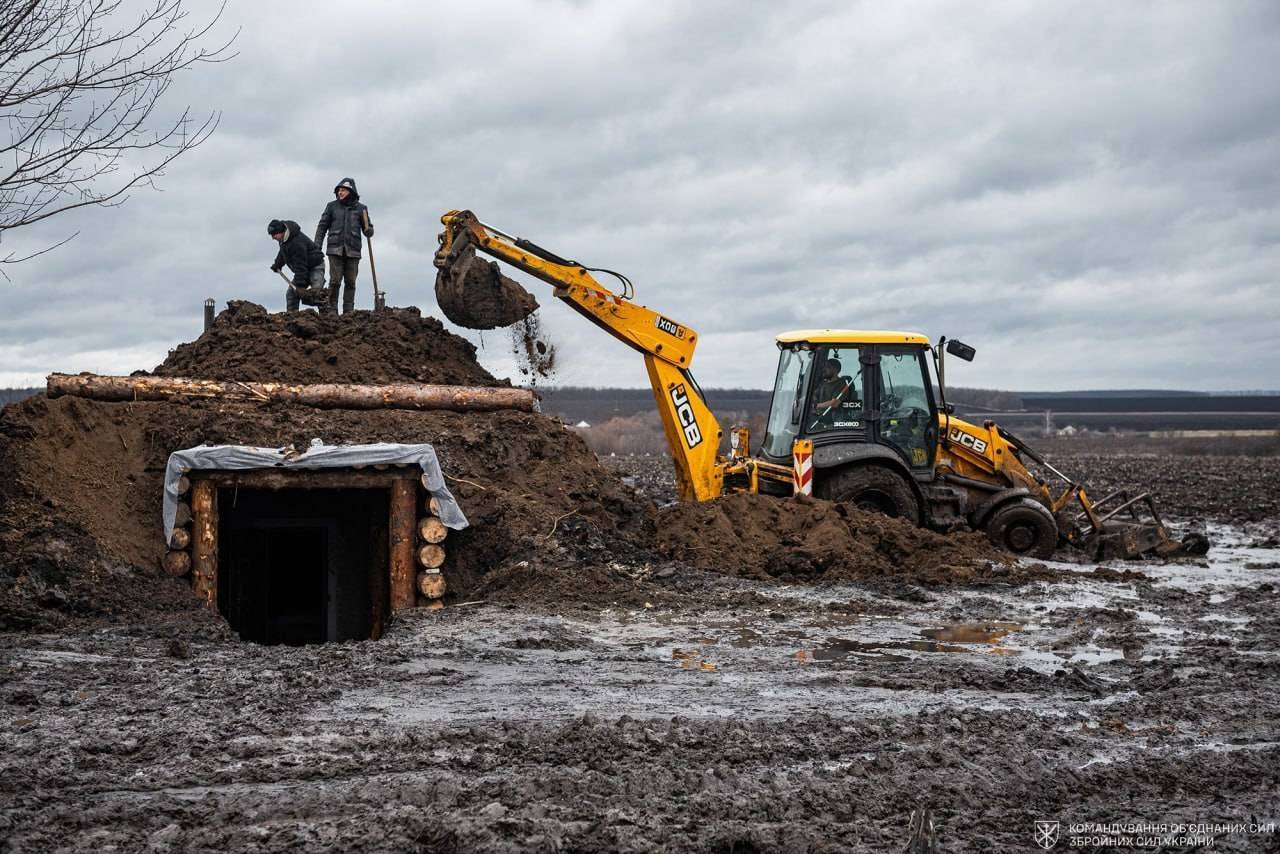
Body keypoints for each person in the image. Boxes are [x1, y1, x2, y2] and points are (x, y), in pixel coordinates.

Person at [314, 177, 373, 315]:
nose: (340, 193)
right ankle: (332, 309)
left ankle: (348, 311)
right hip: (335, 249)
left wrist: (369, 230)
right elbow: (322, 227)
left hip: (353, 250)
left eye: (343, 190)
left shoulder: (361, 209)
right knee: (335, 281)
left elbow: (368, 229)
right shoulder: (331, 206)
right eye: (339, 190)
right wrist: (317, 246)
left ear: (351, 191)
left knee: (351, 282)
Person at [268, 219, 325, 312]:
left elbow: (300, 265)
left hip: (315, 266)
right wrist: (277, 264)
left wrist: (299, 286)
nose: (273, 238)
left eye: (274, 235)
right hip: (302, 269)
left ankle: (328, 318)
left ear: (280, 231)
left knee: (317, 294)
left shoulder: (296, 242)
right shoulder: (283, 240)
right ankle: (292, 317)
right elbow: (283, 252)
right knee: (291, 294)